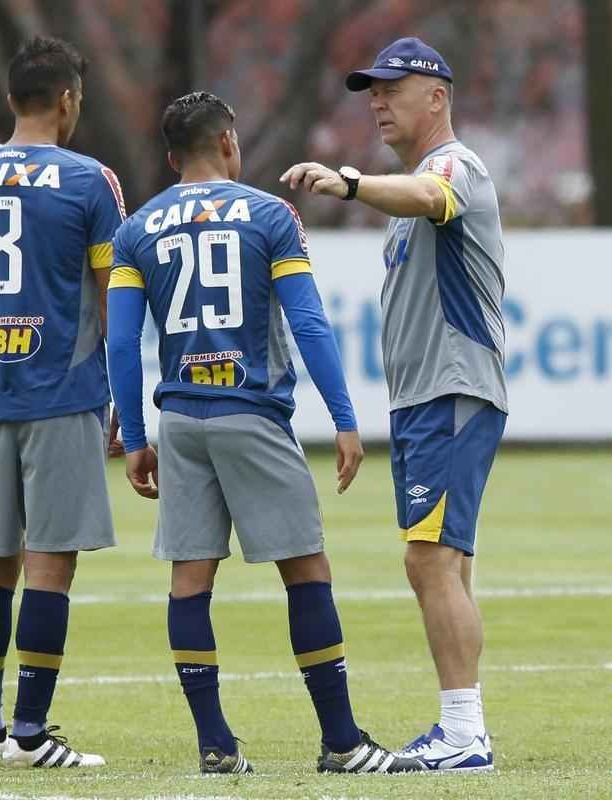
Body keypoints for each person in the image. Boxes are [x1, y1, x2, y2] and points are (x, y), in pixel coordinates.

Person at [107, 91, 424, 775]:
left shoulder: (138, 230)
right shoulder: (267, 214)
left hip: (181, 421)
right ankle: (342, 742)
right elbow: (307, 321)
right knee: (306, 571)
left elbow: (123, 342)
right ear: (229, 142)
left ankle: (215, 746)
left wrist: (135, 437)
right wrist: (344, 418)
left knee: (189, 581)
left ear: (170, 158)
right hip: (250, 412)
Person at [281, 37, 507, 773]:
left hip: (451, 388)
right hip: (423, 397)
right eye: (370, 91)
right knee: (444, 562)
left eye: (391, 88)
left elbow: (427, 195)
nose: (376, 101)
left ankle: (464, 732)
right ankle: (464, 727)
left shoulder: (453, 166)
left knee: (428, 560)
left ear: (435, 97)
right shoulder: (419, 178)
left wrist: (348, 183)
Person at [0, 36, 125, 768]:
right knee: (52, 562)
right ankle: (30, 732)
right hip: (63, 390)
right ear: (67, 100)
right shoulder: (90, 180)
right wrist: (117, 391)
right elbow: (116, 295)